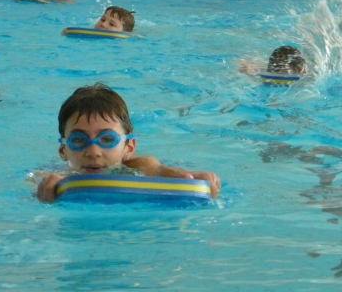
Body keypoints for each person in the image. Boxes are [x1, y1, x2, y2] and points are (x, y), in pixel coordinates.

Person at [36, 83, 221, 202]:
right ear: (63, 150)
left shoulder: (139, 166)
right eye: (78, 140)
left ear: (129, 147)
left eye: (107, 139)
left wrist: (191, 179)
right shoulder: (57, 175)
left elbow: (153, 168)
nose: (93, 151)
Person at [239, 45, 307, 75]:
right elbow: (252, 71)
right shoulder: (268, 75)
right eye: (279, 70)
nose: (284, 74)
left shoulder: (308, 78)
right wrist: (247, 69)